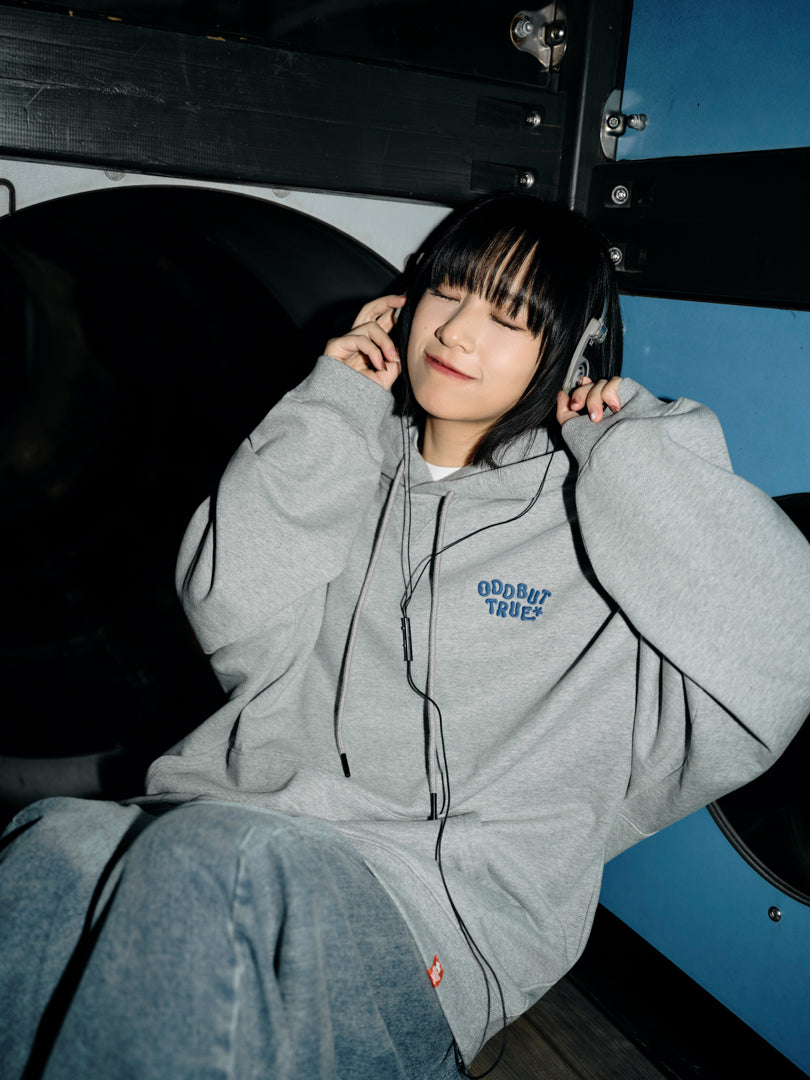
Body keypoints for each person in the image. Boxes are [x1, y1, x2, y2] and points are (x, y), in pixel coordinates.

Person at [2, 193, 809, 1080]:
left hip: (424, 911)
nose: (457, 332)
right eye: (448, 292)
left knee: (213, 867)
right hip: (230, 824)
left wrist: (631, 451)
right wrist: (334, 402)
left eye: (507, 318)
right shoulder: (346, 450)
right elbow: (228, 610)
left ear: (575, 355)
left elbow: (782, 652)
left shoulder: (599, 514)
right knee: (52, 849)